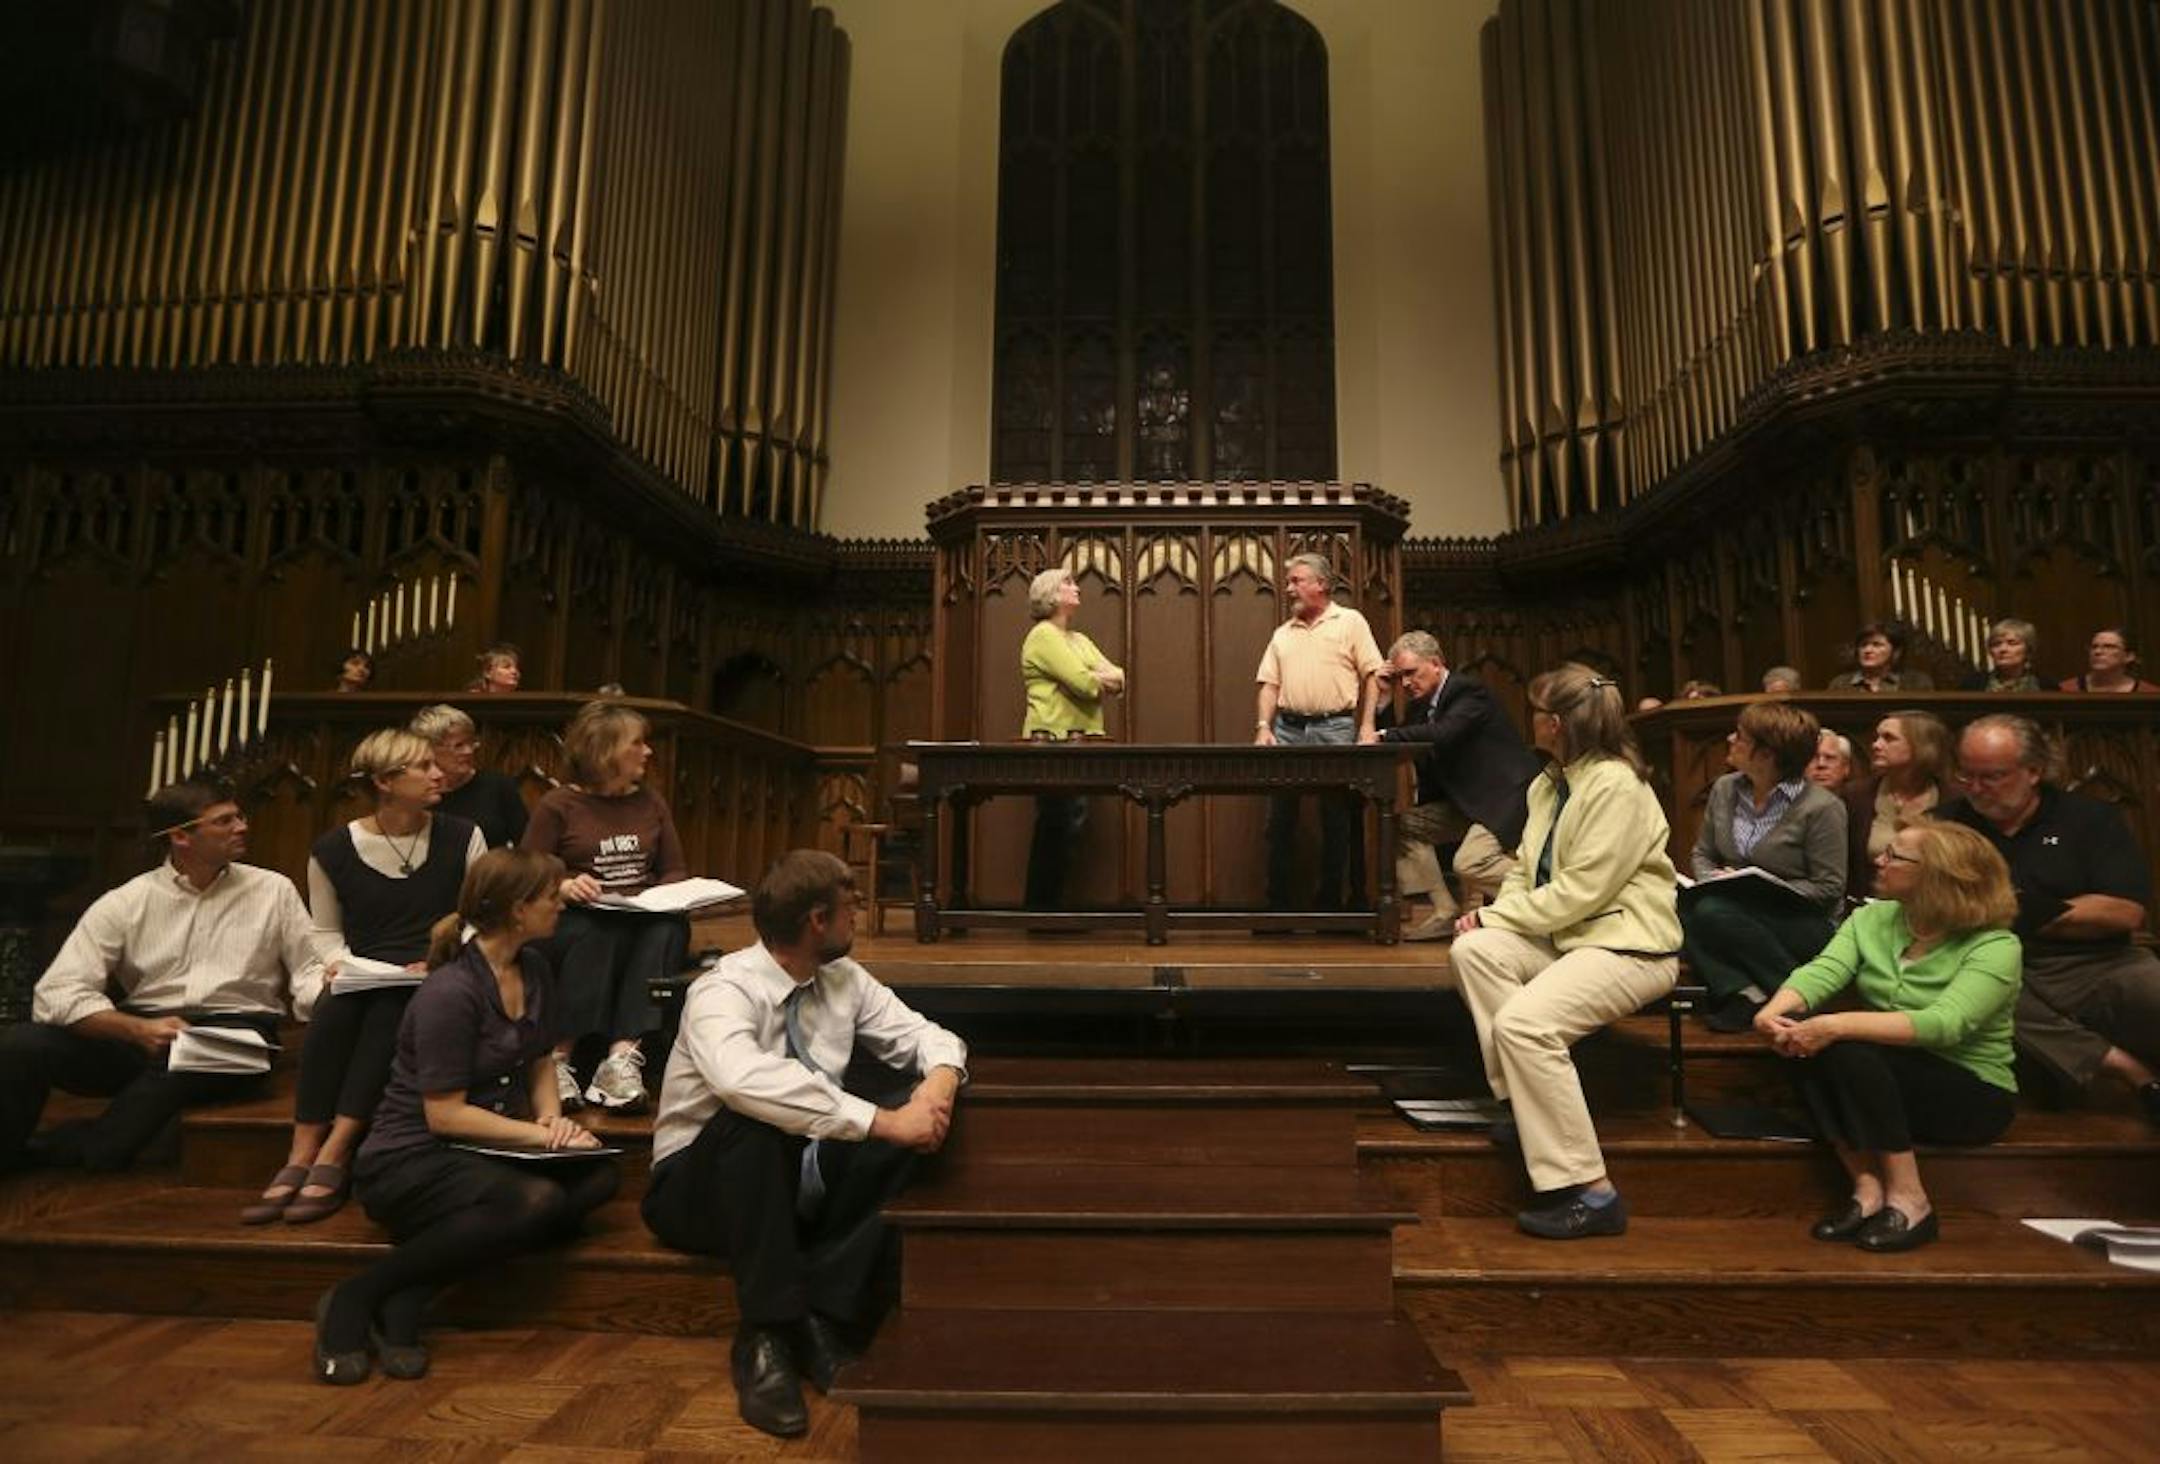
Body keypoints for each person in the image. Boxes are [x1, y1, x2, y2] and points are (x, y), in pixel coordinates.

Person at [644, 850, 966, 1438]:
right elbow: (745, 1081)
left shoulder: (841, 978)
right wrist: (887, 1121)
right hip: (697, 1191)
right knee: (761, 1116)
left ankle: (823, 1311)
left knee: (914, 1114)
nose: (859, 917)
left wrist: (937, 1085)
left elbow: (926, 1036)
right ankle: (766, 1332)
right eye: (851, 907)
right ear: (818, 920)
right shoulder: (723, 990)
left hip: (795, 1182)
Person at [314, 847, 616, 1385]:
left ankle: (412, 1291)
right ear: (518, 910)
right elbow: (445, 1117)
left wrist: (554, 1122)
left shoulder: (535, 966)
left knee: (598, 1177)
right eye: (552, 897)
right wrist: (540, 1137)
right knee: (538, 1200)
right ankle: (357, 1295)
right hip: (411, 1159)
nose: (561, 906)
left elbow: (541, 1058)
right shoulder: (450, 992)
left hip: (485, 1147)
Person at [1448, 665, 1682, 1240]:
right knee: (1477, 952)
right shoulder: (1549, 782)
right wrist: (1493, 919)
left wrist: (1494, 913)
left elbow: (1583, 891)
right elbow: (1527, 872)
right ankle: (1526, 1109)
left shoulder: (1617, 785)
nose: (1530, 719)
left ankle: (1592, 1191)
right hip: (1572, 939)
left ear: (1555, 723)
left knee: (1526, 1026)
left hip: (1630, 946)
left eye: (1535, 711)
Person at [0, 779, 322, 1172]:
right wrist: (135, 1029)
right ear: (181, 837)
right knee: (22, 1043)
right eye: (223, 821)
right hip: (143, 1031)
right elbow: (57, 992)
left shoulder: (273, 890)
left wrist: (329, 992)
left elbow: (310, 968)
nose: (242, 826)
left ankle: (92, 1149)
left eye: (239, 815)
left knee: (179, 1063)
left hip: (235, 1034)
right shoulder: (127, 901)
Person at [243, 731, 486, 1226]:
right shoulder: (333, 849)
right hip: (366, 968)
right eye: (423, 766)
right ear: (385, 782)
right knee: (336, 1005)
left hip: (441, 967)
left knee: (390, 1011)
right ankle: (301, 1148)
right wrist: (340, 965)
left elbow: (479, 917)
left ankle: (338, 1146)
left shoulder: (464, 835)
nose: (438, 772)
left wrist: (440, 960)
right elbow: (326, 932)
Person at [1755, 822, 2021, 1252]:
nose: (1879, 861)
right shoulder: (1873, 918)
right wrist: (1774, 1011)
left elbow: (1945, 1024)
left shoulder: (1995, 945)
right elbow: (1824, 971)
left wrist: (1837, 1025)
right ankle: (1867, 1189)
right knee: (1803, 1044)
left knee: (1844, 1041)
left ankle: (1912, 1200)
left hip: (1971, 1092)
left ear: (1937, 875)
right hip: (1888, 1078)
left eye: (1895, 856)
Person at [1942, 715, 2160, 1124]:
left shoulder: (2089, 819)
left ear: (2034, 772)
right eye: (1965, 776)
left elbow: (2124, 911)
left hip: (2100, 962)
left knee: (2151, 989)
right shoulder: (1948, 825)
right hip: (1991, 961)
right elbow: (1932, 908)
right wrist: (2064, 911)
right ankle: (2131, 1072)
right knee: (1980, 996)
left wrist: (2008, 911)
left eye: (1991, 777)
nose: (1975, 789)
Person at [522, 700, 689, 1111]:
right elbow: (524, 872)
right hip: (578, 916)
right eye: (638, 743)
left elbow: (674, 871)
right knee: (595, 930)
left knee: (668, 929)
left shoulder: (650, 801)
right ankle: (558, 1059)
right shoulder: (558, 805)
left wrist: (663, 897)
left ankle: (619, 1061)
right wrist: (562, 884)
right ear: (605, 751)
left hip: (641, 913)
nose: (648, 752)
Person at [1684, 702, 1848, 1031]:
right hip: (1732, 908)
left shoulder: (1822, 807)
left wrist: (1760, 887)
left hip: (1803, 921)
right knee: (1685, 904)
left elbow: (1829, 887)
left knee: (1712, 912)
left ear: (1767, 755)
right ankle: (1747, 993)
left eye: (1742, 737)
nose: (1731, 739)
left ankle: (1795, 995)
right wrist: (1711, 881)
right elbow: (1702, 853)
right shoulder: (1725, 788)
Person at [1374, 631, 1538, 940]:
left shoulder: (1468, 691)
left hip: (1503, 796)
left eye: (1411, 673)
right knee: (1404, 826)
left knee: (1470, 863)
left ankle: (1546, 891)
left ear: (1436, 663)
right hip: (1465, 801)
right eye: (1400, 678)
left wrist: (1383, 735)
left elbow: (1444, 733)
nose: (1406, 683)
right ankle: (1445, 912)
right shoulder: (1418, 706)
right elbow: (1405, 741)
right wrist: (1383, 700)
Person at [1254, 552, 1384, 912]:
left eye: (1297, 580)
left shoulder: (1350, 621)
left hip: (1335, 726)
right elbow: (1268, 684)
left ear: (1322, 585)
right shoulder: (1283, 633)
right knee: (1279, 820)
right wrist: (1264, 727)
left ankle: (1332, 904)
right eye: (1290, 581)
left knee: (1337, 818)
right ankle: (1277, 906)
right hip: (1288, 729)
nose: (1289, 587)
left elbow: (1372, 673)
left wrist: (1367, 725)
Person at [1018, 567, 1124, 909]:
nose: (1076, 588)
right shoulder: (1043, 636)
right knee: (1055, 822)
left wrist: (1094, 677)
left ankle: (1052, 908)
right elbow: (1082, 683)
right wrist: (1093, 677)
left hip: (1079, 742)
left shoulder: (1079, 640)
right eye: (1068, 583)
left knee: (1072, 823)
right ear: (1050, 594)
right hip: (1051, 741)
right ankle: (1042, 909)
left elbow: (1119, 677)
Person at [1841, 710, 1951, 903]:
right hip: (1869, 909)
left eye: (1888, 738)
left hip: (1936, 908)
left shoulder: (1953, 799)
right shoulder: (1855, 796)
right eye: (1877, 738)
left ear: (1921, 745)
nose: (1875, 745)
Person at [413, 704, 529, 848]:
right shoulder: (417, 793)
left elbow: (525, 847)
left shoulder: (499, 786)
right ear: (429, 748)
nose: (468, 751)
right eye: (458, 745)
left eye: (471, 742)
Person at [1827, 622, 1933, 692]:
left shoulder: (1917, 683)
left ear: (1896, 651)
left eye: (1876, 645)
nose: (1867, 650)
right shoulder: (1840, 684)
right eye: (1863, 645)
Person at [2060, 626, 2159, 693]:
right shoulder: (2065, 690)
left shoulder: (2149, 693)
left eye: (2109, 647)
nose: (2098, 652)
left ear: (2129, 656)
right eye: (2094, 647)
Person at [1963, 617, 2043, 692]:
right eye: (1996, 644)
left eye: (2012, 643)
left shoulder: (2045, 686)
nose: (2003, 649)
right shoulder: (1971, 686)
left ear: (2028, 650)